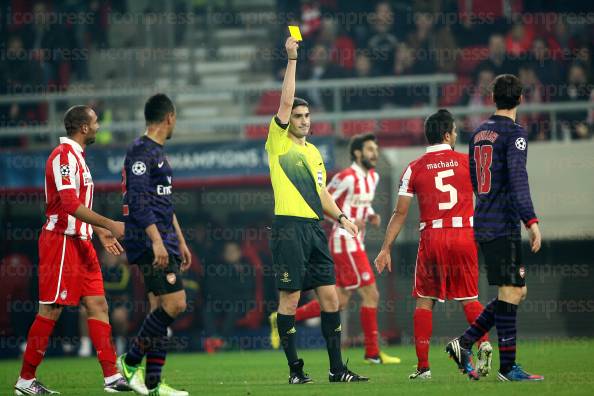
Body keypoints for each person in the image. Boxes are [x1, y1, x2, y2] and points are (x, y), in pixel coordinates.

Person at [267, 36, 368, 384]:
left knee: (331, 297)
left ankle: (337, 369)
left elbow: (322, 193)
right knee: (291, 298)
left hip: (314, 229)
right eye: (298, 115)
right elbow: (284, 100)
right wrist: (293, 59)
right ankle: (296, 371)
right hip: (289, 229)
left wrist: (341, 218)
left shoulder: (313, 153)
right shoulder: (277, 141)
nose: (304, 120)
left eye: (307, 115)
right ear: (287, 119)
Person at [14, 105, 130, 395]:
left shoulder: (78, 157)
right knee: (51, 310)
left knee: (98, 305)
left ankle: (112, 377)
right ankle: (25, 381)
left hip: (81, 241)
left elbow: (79, 208)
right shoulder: (63, 156)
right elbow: (67, 204)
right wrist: (110, 224)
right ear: (84, 127)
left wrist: (98, 230)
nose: (99, 126)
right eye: (95, 121)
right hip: (61, 242)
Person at [374, 109, 493, 380]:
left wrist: (385, 248)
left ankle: (423, 368)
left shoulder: (414, 167)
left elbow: (400, 213)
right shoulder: (467, 162)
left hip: (433, 238)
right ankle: (483, 340)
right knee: (469, 298)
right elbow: (487, 199)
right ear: (447, 135)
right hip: (464, 234)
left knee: (424, 303)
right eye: (454, 130)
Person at [444, 74, 544, 382]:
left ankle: (463, 343)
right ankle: (505, 366)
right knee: (512, 290)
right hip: (503, 223)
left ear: (492, 98)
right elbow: (518, 179)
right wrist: (531, 219)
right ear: (521, 100)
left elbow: (475, 179)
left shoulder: (478, 133)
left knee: (514, 290)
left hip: (483, 218)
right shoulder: (515, 134)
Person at [289, 133, 401, 365]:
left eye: (376, 149)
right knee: (371, 293)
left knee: (339, 301)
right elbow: (323, 202)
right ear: (358, 153)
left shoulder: (373, 177)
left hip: (355, 243)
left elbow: (361, 203)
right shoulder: (346, 177)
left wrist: (370, 215)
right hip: (344, 242)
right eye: (370, 149)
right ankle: (373, 352)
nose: (375, 154)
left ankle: (284, 317)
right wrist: (346, 220)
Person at [117, 94, 193, 396]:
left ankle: (153, 383)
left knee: (158, 308)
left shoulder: (157, 153)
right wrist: (158, 242)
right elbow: (137, 201)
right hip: (151, 240)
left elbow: (163, 203)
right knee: (176, 304)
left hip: (164, 237)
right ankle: (129, 361)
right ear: (169, 117)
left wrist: (181, 240)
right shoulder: (141, 150)